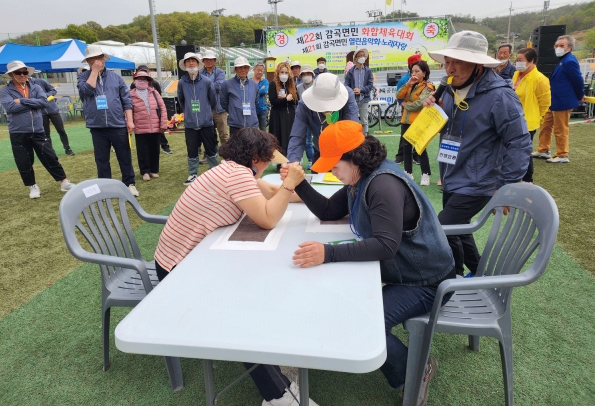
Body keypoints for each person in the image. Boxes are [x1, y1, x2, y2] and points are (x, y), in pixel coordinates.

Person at [282, 120, 455, 404]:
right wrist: (299, 184)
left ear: (353, 157)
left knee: (365, 320)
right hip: (408, 272)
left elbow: (386, 246)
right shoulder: (362, 176)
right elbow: (328, 210)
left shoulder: (382, 184)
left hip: (428, 282)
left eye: (334, 165)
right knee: (352, 308)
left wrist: (329, 253)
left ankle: (416, 369)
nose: (331, 172)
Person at [153, 128, 317, 406]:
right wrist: (290, 184)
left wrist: (319, 200)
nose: (270, 161)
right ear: (255, 158)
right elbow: (268, 217)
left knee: (255, 287)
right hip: (178, 270)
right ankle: (277, 395)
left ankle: (275, 353)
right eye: (267, 156)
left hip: (188, 258)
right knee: (240, 314)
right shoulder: (237, 176)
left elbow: (275, 194)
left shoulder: (237, 171)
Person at [424, 30, 532, 276]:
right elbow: (451, 128)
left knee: (443, 228)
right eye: (447, 62)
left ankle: (455, 278)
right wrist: (436, 111)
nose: (449, 69)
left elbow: (519, 142)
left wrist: (506, 186)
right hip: (452, 174)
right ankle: (483, 276)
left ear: (477, 65)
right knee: (459, 230)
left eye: (457, 62)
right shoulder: (449, 90)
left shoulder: (500, 96)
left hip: (479, 181)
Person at [0, 61, 76, 199]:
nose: (23, 75)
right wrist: (33, 103)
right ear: (11, 75)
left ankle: (64, 182)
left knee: (50, 156)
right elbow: (10, 108)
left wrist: (22, 101)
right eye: (18, 72)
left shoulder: (36, 86)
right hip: (18, 131)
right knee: (24, 160)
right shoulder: (5, 90)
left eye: (25, 72)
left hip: (38, 130)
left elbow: (43, 103)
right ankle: (32, 186)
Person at [78, 45, 139, 197]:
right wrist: (93, 72)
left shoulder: (115, 78)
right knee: (101, 159)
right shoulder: (83, 77)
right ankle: (105, 188)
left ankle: (129, 183)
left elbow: (126, 101)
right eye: (95, 59)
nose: (99, 61)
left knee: (124, 156)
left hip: (117, 124)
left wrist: (130, 121)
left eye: (101, 58)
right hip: (97, 126)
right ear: (89, 61)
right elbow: (86, 91)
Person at [533, 35, 585, 164]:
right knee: (545, 125)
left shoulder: (569, 61)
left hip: (563, 101)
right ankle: (543, 149)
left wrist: (580, 96)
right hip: (553, 100)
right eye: (556, 45)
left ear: (570, 48)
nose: (558, 48)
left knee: (560, 129)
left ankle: (562, 154)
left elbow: (578, 80)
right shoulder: (563, 60)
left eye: (561, 45)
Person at [287, 72, 359, 166]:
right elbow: (297, 136)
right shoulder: (304, 104)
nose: (326, 108)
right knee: (317, 178)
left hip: (344, 151)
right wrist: (292, 163)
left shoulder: (348, 96)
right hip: (320, 150)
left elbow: (352, 131)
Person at [176, 53, 221, 185]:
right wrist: (189, 113)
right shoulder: (182, 83)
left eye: (193, 61)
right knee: (192, 149)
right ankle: (193, 174)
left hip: (206, 122)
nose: (191, 63)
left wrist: (205, 112)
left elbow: (212, 100)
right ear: (185, 65)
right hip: (190, 124)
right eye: (188, 61)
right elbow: (181, 101)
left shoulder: (207, 82)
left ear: (198, 64)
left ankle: (214, 173)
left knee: (211, 147)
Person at [511, 48, 551, 183]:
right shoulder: (516, 74)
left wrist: (539, 117)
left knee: (524, 152)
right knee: (512, 149)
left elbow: (545, 103)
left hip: (528, 122)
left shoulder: (540, 79)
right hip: (513, 119)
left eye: (521, 60)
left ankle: (528, 179)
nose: (518, 63)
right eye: (517, 60)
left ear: (531, 61)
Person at [396, 60, 434, 185]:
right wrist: (407, 84)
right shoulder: (410, 84)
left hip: (419, 121)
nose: (414, 74)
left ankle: (426, 174)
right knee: (406, 147)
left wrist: (406, 105)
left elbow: (420, 104)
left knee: (420, 148)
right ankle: (408, 172)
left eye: (417, 71)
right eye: (412, 71)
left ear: (424, 73)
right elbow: (398, 95)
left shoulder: (428, 86)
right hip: (406, 120)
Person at [130, 70, 168, 182]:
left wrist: (163, 123)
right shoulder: (130, 94)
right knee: (142, 151)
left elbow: (163, 108)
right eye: (139, 79)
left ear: (148, 81)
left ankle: (154, 170)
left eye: (144, 79)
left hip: (155, 127)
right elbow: (129, 111)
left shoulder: (154, 92)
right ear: (135, 81)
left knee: (155, 149)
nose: (142, 81)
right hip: (140, 128)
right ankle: (145, 171)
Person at [130, 64, 173, 155]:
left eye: (145, 71)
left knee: (159, 133)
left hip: (154, 116)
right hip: (141, 120)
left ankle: (165, 146)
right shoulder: (133, 85)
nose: (142, 80)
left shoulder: (155, 84)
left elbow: (159, 100)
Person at [31, 74, 75, 156]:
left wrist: (45, 96)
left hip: (53, 110)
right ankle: (51, 152)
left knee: (61, 130)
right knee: (46, 133)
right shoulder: (26, 87)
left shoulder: (40, 81)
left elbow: (53, 90)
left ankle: (68, 149)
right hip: (41, 112)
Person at [395, 54, 423, 165]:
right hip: (407, 111)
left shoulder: (424, 80)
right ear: (410, 66)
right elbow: (399, 96)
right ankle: (401, 155)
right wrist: (404, 105)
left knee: (419, 133)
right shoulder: (404, 80)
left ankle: (417, 155)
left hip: (420, 111)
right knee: (405, 135)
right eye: (416, 63)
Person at [220, 56, 259, 134]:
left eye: (245, 67)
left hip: (251, 124)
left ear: (248, 69)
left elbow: (255, 102)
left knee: (252, 146)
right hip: (235, 125)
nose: (243, 69)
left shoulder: (254, 84)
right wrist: (234, 111)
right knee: (236, 146)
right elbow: (223, 102)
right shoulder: (227, 84)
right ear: (235, 69)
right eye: (240, 67)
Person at [268, 61, 298, 161]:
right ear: (278, 73)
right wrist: (285, 99)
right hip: (277, 115)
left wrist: (290, 99)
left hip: (289, 115)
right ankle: (278, 162)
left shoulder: (291, 85)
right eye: (282, 72)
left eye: (286, 72)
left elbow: (296, 101)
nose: (284, 75)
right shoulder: (273, 84)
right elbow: (273, 101)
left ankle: (289, 159)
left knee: (288, 137)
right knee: (278, 138)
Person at [201, 49, 229, 146]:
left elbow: (219, 86)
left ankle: (227, 154)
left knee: (223, 134)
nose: (209, 61)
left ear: (215, 60)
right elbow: (200, 88)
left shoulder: (220, 72)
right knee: (208, 133)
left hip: (219, 108)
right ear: (203, 61)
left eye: (211, 59)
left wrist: (206, 86)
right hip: (206, 108)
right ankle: (210, 153)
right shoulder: (200, 73)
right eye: (206, 59)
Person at [344, 48, 373, 135]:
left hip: (364, 98)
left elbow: (370, 85)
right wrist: (352, 92)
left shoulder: (368, 71)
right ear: (355, 58)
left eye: (363, 55)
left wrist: (361, 90)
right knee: (353, 119)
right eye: (359, 56)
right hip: (353, 99)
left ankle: (365, 137)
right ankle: (354, 137)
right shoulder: (350, 72)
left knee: (364, 119)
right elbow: (346, 85)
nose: (362, 57)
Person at [296, 65, 316, 169]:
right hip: (305, 117)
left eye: (308, 74)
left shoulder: (317, 85)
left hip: (317, 116)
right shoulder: (299, 87)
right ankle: (311, 160)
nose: (306, 76)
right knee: (307, 140)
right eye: (304, 74)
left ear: (312, 75)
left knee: (319, 139)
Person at [252, 62, 269, 131]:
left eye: (262, 71)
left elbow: (264, 91)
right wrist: (260, 89)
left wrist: (254, 90)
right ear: (254, 70)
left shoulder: (265, 81)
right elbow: (249, 93)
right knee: (253, 130)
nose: (260, 72)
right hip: (252, 109)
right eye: (258, 70)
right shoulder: (250, 81)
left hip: (263, 109)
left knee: (263, 130)